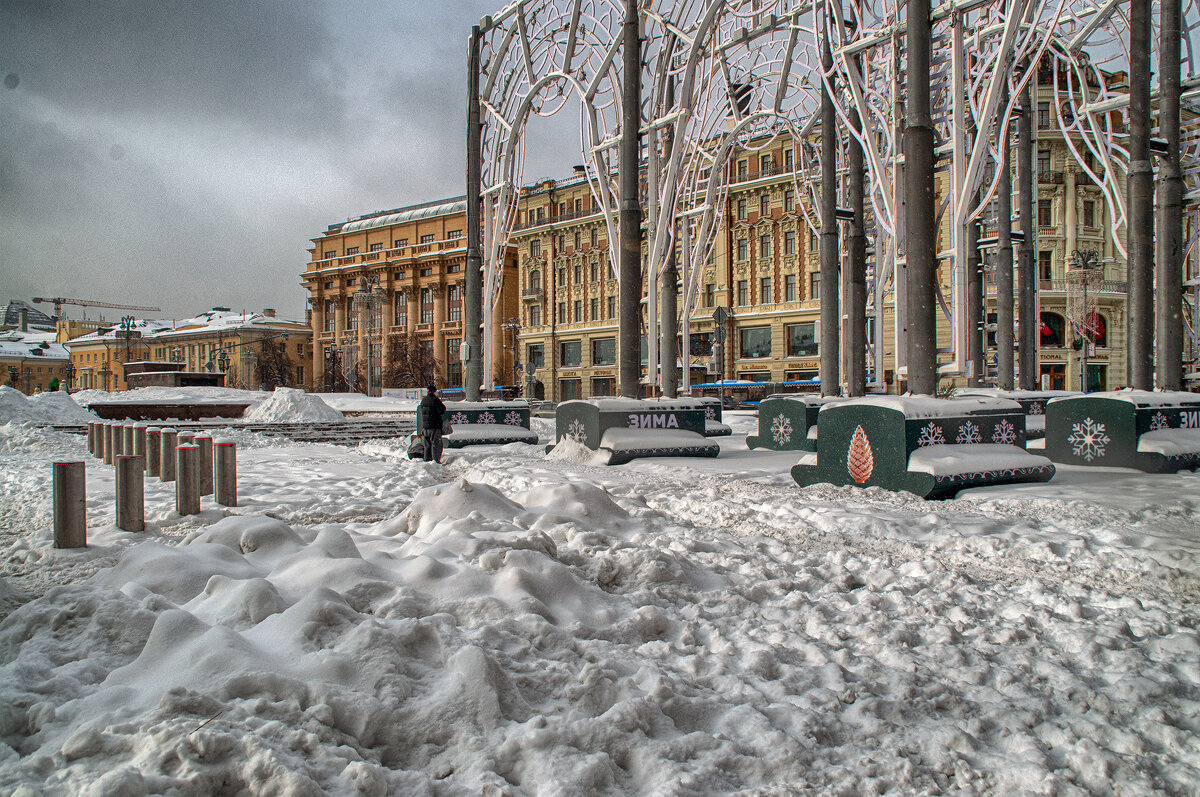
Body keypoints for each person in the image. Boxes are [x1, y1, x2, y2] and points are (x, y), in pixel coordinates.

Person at [418, 383, 447, 463]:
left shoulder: (424, 400)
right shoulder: (435, 400)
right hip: (435, 425)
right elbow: (442, 410)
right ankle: (435, 461)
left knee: (427, 445)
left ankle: (427, 460)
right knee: (435, 444)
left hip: (426, 426)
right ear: (434, 391)